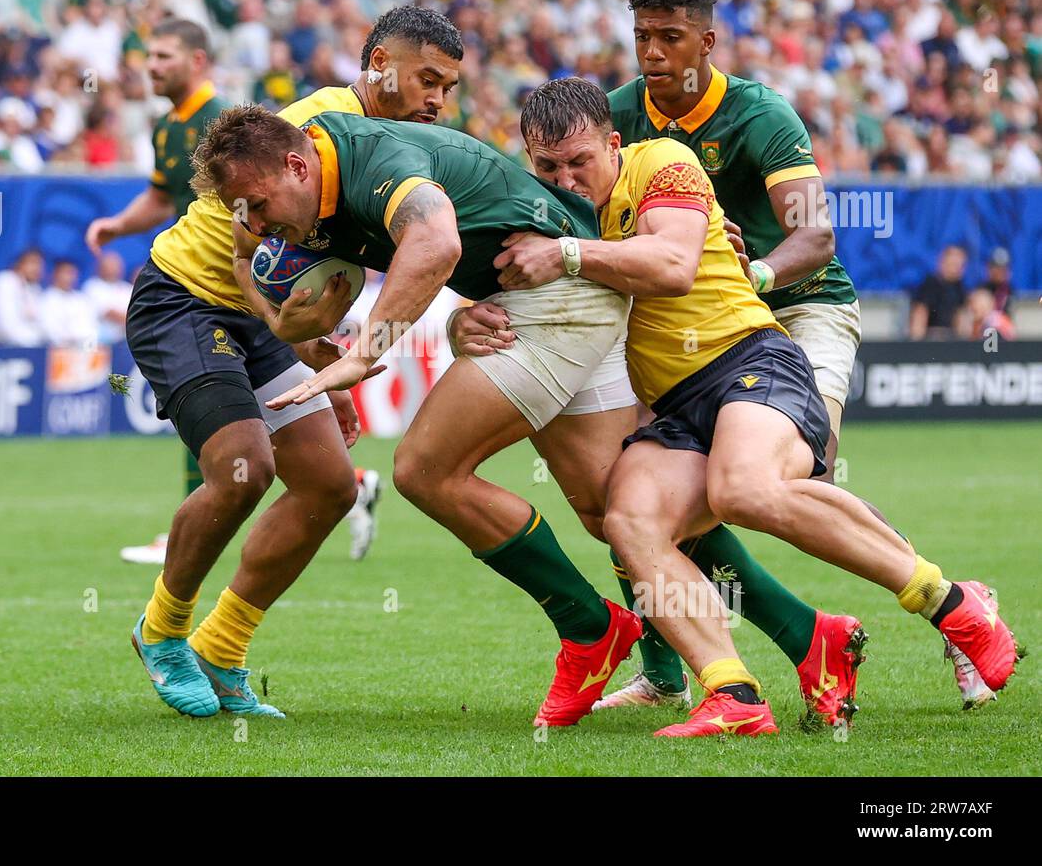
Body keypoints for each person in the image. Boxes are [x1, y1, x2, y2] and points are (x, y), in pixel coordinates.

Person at [472, 78, 1019, 736]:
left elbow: (673, 264)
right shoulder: (551, 212)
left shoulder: (662, 162)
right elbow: (504, 298)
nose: (565, 179)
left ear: (614, 145)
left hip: (749, 363)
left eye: (579, 161)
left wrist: (565, 254)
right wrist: (463, 325)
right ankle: (733, 693)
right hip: (676, 410)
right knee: (627, 520)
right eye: (548, 167)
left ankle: (952, 602)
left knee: (743, 489)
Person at [200, 106, 646, 728]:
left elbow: (436, 242)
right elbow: (242, 258)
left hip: (558, 292)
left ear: (298, 167)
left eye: (256, 202)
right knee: (617, 506)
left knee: (425, 469)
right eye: (239, 209)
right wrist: (280, 325)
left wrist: (362, 357)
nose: (253, 221)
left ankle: (590, 627)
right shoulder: (288, 189)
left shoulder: (374, 163)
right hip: (540, 292)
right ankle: (784, 645)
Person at [114, 8, 462, 718]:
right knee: (247, 468)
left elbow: (301, 271)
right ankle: (162, 631)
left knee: (330, 485)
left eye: (448, 86)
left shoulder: (387, 148)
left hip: (260, 319)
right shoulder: (320, 127)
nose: (437, 100)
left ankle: (222, 649)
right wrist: (300, 345)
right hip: (185, 300)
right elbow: (254, 257)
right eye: (426, 79)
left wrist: (313, 362)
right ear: (377, 65)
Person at [0, 248, 45, 346]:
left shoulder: (34, 289)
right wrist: (35, 340)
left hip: (29, 347)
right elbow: (5, 327)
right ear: (19, 264)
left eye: (39, 265)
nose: (36, 269)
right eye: (32, 263)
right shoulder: (5, 281)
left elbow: (40, 324)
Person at [910, 244, 968, 340]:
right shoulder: (931, 284)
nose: (957, 268)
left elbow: (962, 318)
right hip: (931, 338)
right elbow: (920, 314)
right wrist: (917, 344)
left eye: (960, 265)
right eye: (953, 264)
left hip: (952, 340)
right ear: (942, 263)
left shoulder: (960, 288)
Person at [39, 259, 98, 347]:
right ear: (55, 274)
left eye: (72, 273)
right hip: (56, 350)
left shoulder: (81, 300)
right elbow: (49, 330)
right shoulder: (46, 298)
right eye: (66, 273)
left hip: (83, 350)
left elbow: (91, 328)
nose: (69, 277)